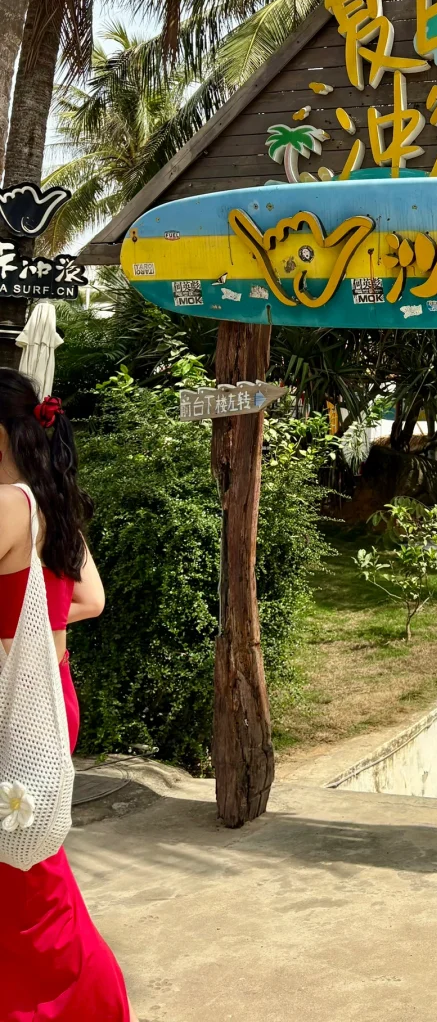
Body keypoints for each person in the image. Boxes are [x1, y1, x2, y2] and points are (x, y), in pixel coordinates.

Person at [0, 372, 135, 1021]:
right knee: (29, 879)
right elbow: (92, 599)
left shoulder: (8, 505)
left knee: (28, 891)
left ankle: (84, 1001)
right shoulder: (51, 504)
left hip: (15, 708)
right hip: (48, 696)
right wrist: (31, 627)